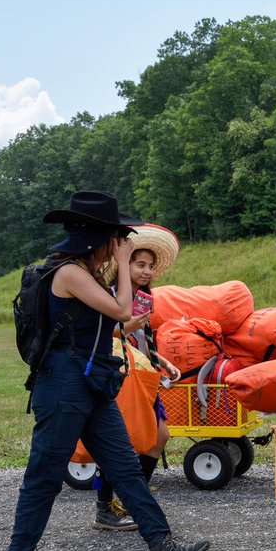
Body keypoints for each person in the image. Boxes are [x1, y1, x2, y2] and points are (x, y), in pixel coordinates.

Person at [1, 191, 210, 551]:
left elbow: (110, 326)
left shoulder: (86, 273)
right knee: (44, 474)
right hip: (63, 382)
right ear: (99, 238)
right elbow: (120, 310)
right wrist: (124, 265)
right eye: (116, 238)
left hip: (92, 378)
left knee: (125, 467)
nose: (120, 244)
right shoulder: (68, 272)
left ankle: (162, 546)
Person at [92, 224, 182, 531]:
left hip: (142, 373)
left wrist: (162, 361)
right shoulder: (109, 295)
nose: (146, 271)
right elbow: (104, 335)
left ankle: (129, 500)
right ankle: (106, 507)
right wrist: (129, 327)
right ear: (123, 264)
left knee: (158, 437)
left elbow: (139, 342)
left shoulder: (143, 298)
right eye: (139, 264)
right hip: (119, 376)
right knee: (120, 442)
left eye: (150, 266)